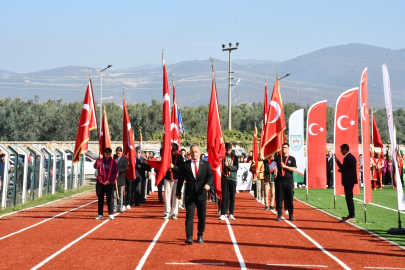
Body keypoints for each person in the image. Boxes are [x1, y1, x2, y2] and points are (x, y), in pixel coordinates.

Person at [176, 144, 213, 244]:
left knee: (202, 216)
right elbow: (180, 180)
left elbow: (210, 176)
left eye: (196, 151)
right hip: (190, 194)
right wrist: (178, 192)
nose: (194, 153)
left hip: (201, 194)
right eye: (192, 152)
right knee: (189, 216)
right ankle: (189, 236)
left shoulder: (206, 164)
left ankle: (200, 235)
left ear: (199, 152)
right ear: (189, 153)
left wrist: (208, 184)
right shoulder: (185, 165)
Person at [273, 143, 297, 221]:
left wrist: (285, 166)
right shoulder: (278, 157)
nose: (284, 149)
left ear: (288, 149)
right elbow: (270, 157)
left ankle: (291, 214)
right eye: (282, 147)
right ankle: (279, 215)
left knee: (289, 198)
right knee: (279, 198)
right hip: (279, 181)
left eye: (285, 147)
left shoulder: (292, 158)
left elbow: (293, 169)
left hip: (289, 181)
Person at [334, 144, 357, 222]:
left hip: (349, 180)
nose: (340, 151)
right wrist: (342, 170)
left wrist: (337, 161)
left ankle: (352, 215)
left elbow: (343, 167)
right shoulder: (350, 157)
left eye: (341, 150)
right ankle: (351, 214)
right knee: (348, 198)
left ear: (344, 149)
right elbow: (347, 168)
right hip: (350, 180)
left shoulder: (348, 157)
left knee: (349, 198)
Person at [94, 148, 119, 220]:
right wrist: (98, 159)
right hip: (100, 183)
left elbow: (116, 172)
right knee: (100, 199)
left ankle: (110, 213)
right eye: (106, 154)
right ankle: (100, 214)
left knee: (110, 199)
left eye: (109, 154)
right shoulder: (100, 161)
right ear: (104, 154)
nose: (108, 155)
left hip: (109, 183)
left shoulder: (113, 162)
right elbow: (95, 166)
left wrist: (110, 180)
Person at [163, 143, 184, 219]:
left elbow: (181, 169)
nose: (173, 152)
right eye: (172, 151)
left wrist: (174, 167)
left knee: (175, 197)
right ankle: (167, 212)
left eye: (174, 151)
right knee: (167, 196)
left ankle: (174, 212)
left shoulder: (180, 157)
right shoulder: (167, 157)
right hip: (167, 179)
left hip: (176, 179)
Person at [219, 143, 239, 221]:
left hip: (233, 179)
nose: (228, 152)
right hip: (224, 178)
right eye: (227, 150)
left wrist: (228, 166)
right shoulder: (222, 157)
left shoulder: (235, 157)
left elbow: (236, 168)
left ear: (231, 149)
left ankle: (231, 214)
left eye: (229, 150)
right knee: (224, 196)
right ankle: (223, 213)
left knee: (232, 197)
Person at [113, 147, 128, 213]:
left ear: (121, 152)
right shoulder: (113, 158)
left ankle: (121, 207)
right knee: (114, 194)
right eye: (117, 153)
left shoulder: (125, 159)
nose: (117, 154)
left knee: (121, 194)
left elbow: (125, 168)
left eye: (119, 153)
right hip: (114, 179)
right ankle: (115, 207)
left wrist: (117, 171)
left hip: (121, 178)